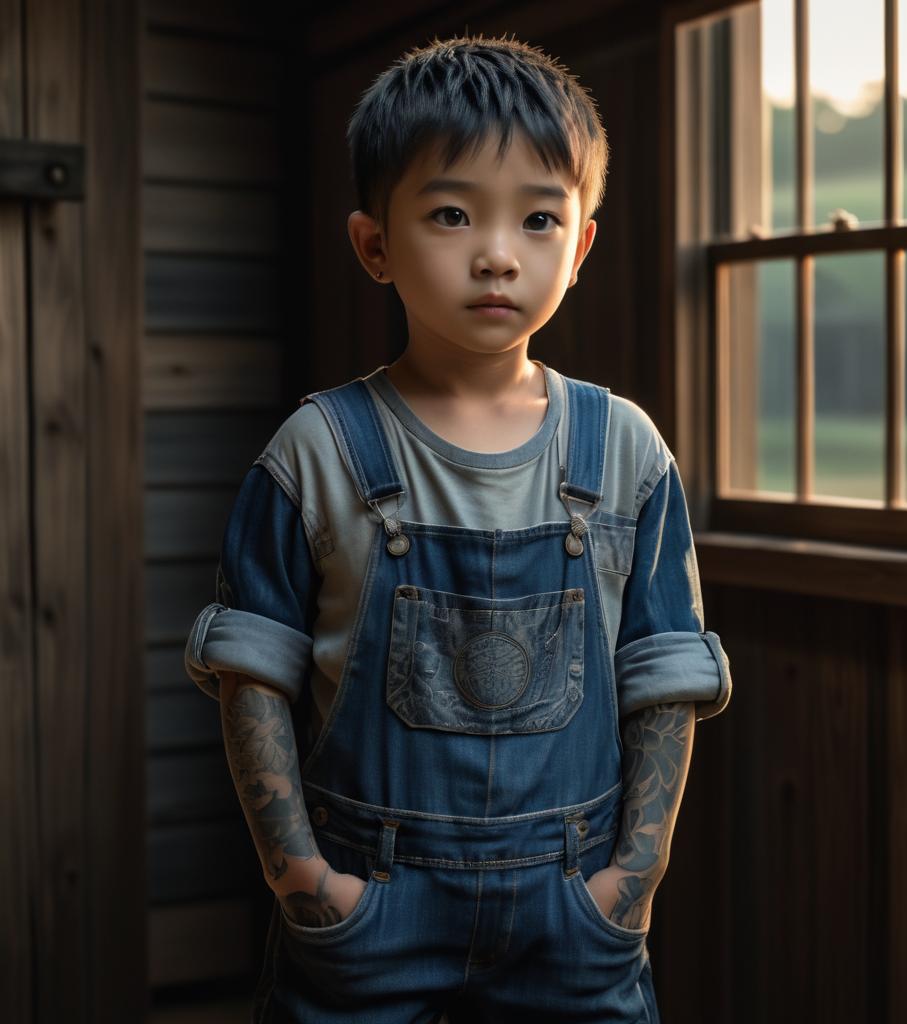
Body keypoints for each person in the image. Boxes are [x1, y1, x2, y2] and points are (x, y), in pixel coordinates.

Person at [184, 33, 731, 1024]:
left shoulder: (625, 451)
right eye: (450, 213)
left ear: (580, 244)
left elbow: (665, 678)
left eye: (536, 217)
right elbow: (251, 673)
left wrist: (629, 884)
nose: (495, 251)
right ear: (374, 245)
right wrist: (302, 876)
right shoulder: (317, 449)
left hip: (574, 923)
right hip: (367, 912)